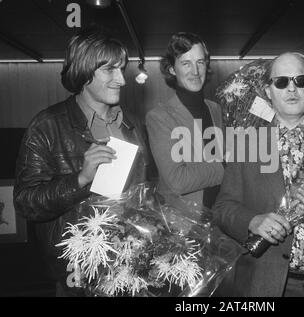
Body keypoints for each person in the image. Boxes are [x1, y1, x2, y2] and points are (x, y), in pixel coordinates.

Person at [13, 28, 155, 296]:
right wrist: (81, 179)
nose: (121, 80)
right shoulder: (47, 126)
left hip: (132, 266)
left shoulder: (132, 124)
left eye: (122, 69)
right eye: (109, 70)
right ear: (84, 71)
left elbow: (144, 191)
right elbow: (26, 203)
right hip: (78, 275)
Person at [213, 52, 304, 297]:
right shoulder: (245, 145)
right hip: (265, 283)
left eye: (300, 80)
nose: (292, 88)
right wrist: (252, 221)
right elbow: (223, 207)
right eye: (281, 81)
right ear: (268, 91)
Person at [146, 32, 224, 208]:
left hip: (221, 214)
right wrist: (226, 166)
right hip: (184, 222)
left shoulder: (215, 109)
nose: (195, 71)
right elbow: (177, 181)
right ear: (172, 69)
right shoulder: (160, 117)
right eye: (186, 63)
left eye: (200, 62)